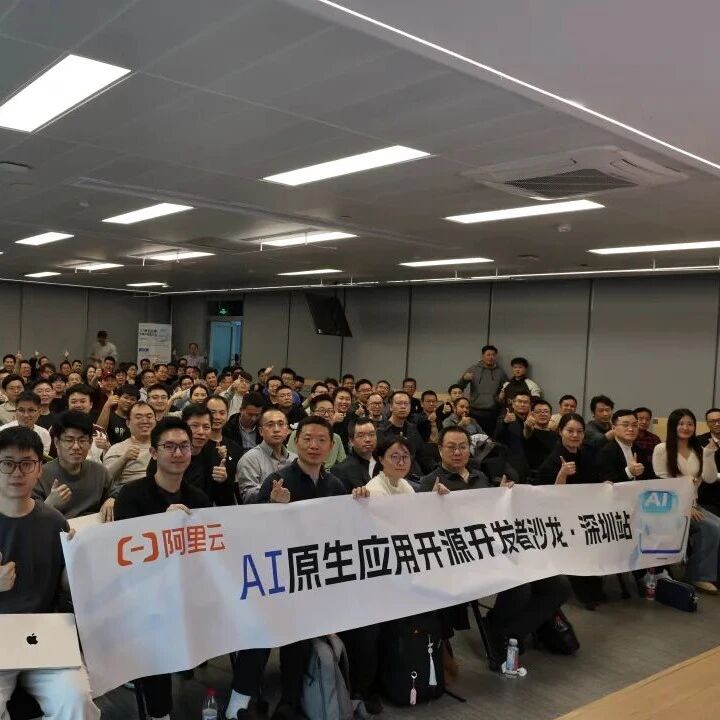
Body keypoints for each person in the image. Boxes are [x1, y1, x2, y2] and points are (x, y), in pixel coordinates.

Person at [420, 426, 570, 668]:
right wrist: (437, 505)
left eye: (462, 447)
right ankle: (502, 636)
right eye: (451, 447)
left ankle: (506, 631)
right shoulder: (430, 483)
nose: (457, 452)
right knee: (520, 586)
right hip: (462, 559)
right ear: (440, 450)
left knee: (558, 585)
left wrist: (502, 497)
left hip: (497, 549)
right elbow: (424, 530)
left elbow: (493, 516)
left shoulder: (480, 477)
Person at [236, 417, 349, 720]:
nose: (314, 445)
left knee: (302, 635)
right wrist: (273, 507)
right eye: (307, 438)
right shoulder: (278, 480)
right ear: (295, 442)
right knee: (271, 633)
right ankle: (248, 700)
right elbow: (252, 529)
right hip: (279, 574)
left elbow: (343, 529)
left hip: (317, 572)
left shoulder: (335, 485)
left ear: (331, 446)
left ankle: (292, 697)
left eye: (321, 440)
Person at [0, 426, 101, 719]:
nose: (17, 473)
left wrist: (77, 563)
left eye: (26, 463)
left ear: (39, 469)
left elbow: (66, 585)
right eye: (7, 463)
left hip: (45, 633)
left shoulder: (53, 521)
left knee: (76, 700)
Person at [114, 417, 211, 720]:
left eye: (184, 446)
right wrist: (161, 526)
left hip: (188, 589)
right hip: (146, 592)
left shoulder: (198, 498)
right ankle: (159, 712)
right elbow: (127, 556)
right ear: (154, 452)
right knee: (155, 624)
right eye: (169, 446)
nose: (178, 453)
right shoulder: (131, 495)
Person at [653, 408, 720, 594]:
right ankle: (698, 575)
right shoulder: (662, 449)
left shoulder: (699, 449)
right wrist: (684, 507)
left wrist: (709, 454)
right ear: (673, 426)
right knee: (712, 528)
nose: (686, 427)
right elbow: (662, 481)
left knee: (717, 525)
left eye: (690, 424)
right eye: (681, 424)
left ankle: (708, 571)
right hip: (671, 506)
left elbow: (709, 478)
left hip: (693, 504)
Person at [35, 411, 117, 520]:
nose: (76, 447)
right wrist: (49, 504)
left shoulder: (100, 471)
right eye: (69, 440)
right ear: (56, 442)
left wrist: (111, 499)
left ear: (90, 442)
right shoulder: (40, 475)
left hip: (95, 526)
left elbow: (115, 493)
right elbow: (32, 518)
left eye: (82, 440)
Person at [235, 408, 296, 504]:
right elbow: (247, 496)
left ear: (287, 430)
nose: (276, 429)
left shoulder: (295, 459)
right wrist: (271, 493)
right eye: (270, 425)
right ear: (260, 431)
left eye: (281, 424)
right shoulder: (250, 459)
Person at [178, 404, 234, 506]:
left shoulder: (214, 456)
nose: (201, 432)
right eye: (195, 426)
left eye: (206, 427)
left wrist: (223, 481)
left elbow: (225, 503)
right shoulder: (168, 455)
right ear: (183, 427)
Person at [103, 402, 156, 486]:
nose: (145, 421)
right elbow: (104, 480)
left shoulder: (164, 446)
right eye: (138, 417)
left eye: (149, 417)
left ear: (155, 421)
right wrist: (124, 458)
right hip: (127, 489)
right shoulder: (117, 448)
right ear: (128, 423)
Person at [458, 344, 508, 435]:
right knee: (473, 435)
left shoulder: (501, 372)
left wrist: (500, 399)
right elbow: (459, 386)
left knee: (489, 437)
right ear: (483, 356)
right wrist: (464, 379)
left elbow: (506, 389)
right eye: (488, 355)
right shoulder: (473, 369)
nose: (491, 357)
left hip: (492, 412)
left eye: (493, 355)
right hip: (474, 410)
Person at [288, 394, 346, 468]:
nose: (326, 415)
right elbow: (291, 461)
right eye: (322, 411)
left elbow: (343, 464)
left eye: (330, 411)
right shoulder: (298, 434)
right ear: (311, 413)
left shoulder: (336, 438)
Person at [376, 391, 424, 475]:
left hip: (415, 475)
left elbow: (421, 454)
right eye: (399, 403)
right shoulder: (381, 431)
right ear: (391, 407)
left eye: (406, 403)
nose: (403, 406)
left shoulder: (412, 429)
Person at [596, 409, 645, 484]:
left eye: (634, 425)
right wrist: (629, 472)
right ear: (613, 428)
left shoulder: (640, 449)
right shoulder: (606, 451)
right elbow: (607, 480)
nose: (631, 429)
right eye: (625, 425)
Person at [494, 391, 533, 482]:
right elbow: (497, 436)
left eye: (525, 402)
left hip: (528, 466)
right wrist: (505, 422)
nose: (522, 404)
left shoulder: (531, 420)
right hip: (511, 468)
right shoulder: (505, 418)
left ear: (530, 405)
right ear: (513, 404)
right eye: (519, 401)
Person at [65, 384, 111, 462]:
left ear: (91, 405)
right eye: (74, 402)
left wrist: (107, 448)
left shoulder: (99, 431)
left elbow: (109, 462)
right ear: (68, 404)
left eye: (83, 401)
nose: (78, 405)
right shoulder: (58, 428)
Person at [332, 418, 378, 491]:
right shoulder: (341, 470)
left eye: (371, 434)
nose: (368, 439)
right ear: (351, 440)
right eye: (361, 436)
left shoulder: (384, 464)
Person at [206, 395, 243, 487]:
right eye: (212, 412)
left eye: (222, 413)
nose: (217, 417)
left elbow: (236, 482)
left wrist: (226, 458)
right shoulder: (196, 445)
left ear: (227, 415)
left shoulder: (235, 448)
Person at [522, 399, 559, 473]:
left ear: (550, 415)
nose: (543, 414)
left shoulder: (555, 435)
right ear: (532, 414)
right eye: (538, 411)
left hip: (551, 473)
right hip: (533, 474)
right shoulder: (530, 431)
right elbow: (527, 433)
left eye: (546, 411)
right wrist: (527, 426)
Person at [698, 408, 720, 514]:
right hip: (706, 495)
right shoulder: (698, 441)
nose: (717, 424)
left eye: (719, 420)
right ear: (707, 423)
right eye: (712, 421)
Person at [634, 406, 661, 479]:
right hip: (634, 475)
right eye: (640, 419)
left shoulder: (654, 438)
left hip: (652, 475)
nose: (644, 422)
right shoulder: (629, 438)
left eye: (647, 419)